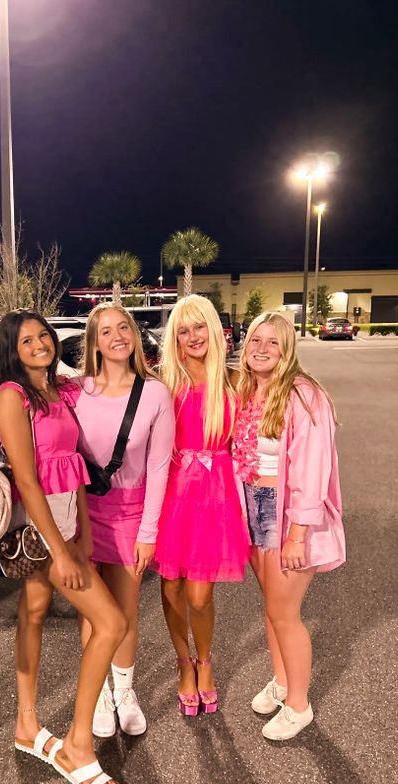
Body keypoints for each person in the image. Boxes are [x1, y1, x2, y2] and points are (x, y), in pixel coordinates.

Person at [0, 310, 127, 784]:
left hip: (68, 523)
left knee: (33, 612)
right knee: (111, 624)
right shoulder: (11, 396)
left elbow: (73, 468)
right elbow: (27, 480)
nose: (39, 344)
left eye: (43, 335)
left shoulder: (58, 391)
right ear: (12, 349)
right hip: (39, 528)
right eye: (26, 340)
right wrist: (59, 552)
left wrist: (84, 535)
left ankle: (26, 724)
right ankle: (78, 743)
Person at [232, 312, 345, 740]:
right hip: (253, 505)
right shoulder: (248, 389)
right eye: (255, 340)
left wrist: (298, 533)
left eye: (273, 343)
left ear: (288, 349)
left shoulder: (303, 395)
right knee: (271, 608)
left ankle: (300, 705)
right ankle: (282, 682)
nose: (261, 348)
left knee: (285, 612)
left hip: (285, 513)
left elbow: (312, 471)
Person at [72, 303, 174, 737]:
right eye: (105, 331)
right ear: (93, 342)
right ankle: (96, 695)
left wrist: (148, 533)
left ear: (133, 336)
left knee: (126, 612)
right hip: (81, 516)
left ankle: (124, 691)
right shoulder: (74, 391)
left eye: (123, 328)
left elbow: (159, 467)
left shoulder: (154, 394)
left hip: (131, 515)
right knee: (93, 613)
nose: (116, 337)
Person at [153, 295, 249, 716]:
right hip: (170, 494)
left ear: (213, 330)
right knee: (171, 586)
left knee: (198, 596)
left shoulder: (234, 382)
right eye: (183, 330)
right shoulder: (162, 384)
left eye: (199, 328)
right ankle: (183, 663)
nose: (193, 337)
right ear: (174, 337)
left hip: (215, 498)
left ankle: (205, 659)